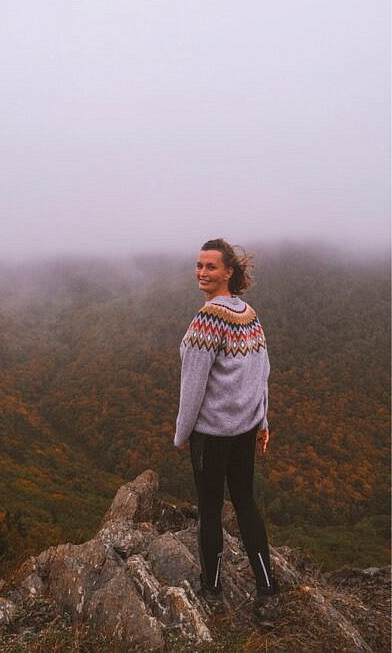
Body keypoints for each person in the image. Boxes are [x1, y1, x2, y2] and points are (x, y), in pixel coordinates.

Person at [173, 238, 280, 627]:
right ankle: (268, 592)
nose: (202, 273)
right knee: (247, 503)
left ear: (229, 272)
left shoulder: (206, 321)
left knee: (211, 509)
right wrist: (262, 422)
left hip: (213, 435)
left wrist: (182, 433)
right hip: (244, 431)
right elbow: (261, 375)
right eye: (199, 265)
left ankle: (212, 590)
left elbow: (193, 386)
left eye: (211, 267)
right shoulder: (250, 315)